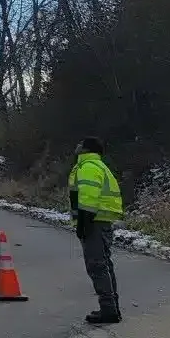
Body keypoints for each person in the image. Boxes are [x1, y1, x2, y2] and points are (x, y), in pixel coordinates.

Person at [68, 137, 123, 325]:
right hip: (101, 220)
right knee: (104, 264)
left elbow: (89, 196)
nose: (76, 145)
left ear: (86, 149)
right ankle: (112, 307)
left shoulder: (89, 166)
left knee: (97, 265)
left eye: (79, 143)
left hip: (94, 220)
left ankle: (108, 310)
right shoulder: (97, 165)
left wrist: (84, 222)